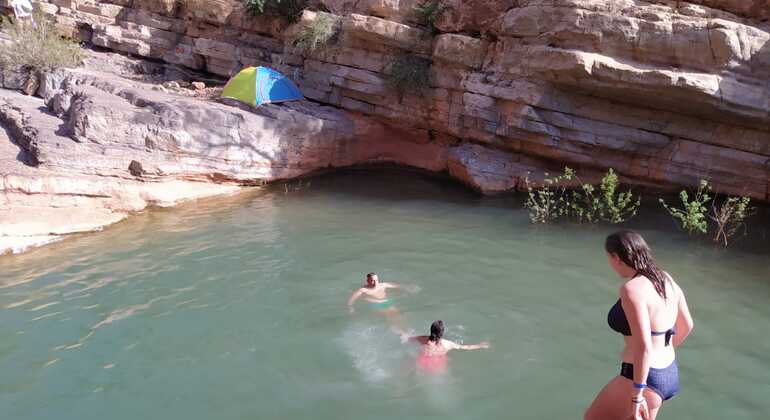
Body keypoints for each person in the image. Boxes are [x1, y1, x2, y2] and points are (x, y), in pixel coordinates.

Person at [585, 231, 694, 420]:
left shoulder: (631, 290)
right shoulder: (665, 278)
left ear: (616, 257)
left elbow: (644, 346)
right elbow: (687, 325)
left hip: (641, 380)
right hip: (667, 373)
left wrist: (637, 396)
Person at [407, 320, 489, 373]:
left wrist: (403, 334)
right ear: (442, 333)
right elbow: (465, 347)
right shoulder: (447, 344)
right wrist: (480, 345)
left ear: (431, 330)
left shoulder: (423, 339)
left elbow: (409, 338)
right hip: (438, 364)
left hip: (422, 361)